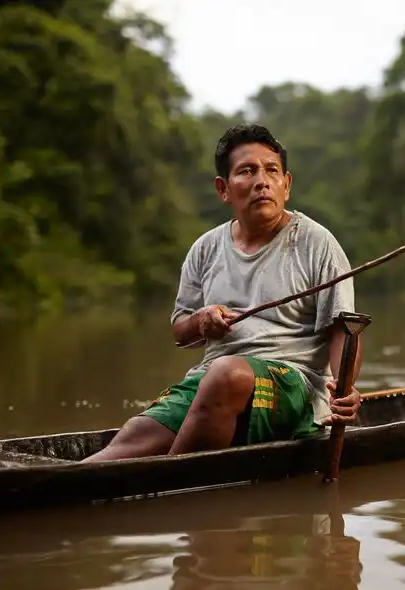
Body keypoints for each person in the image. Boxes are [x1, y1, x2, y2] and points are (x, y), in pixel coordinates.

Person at [83, 124, 363, 462]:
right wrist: (202, 321)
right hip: (211, 384)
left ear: (286, 185)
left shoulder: (317, 243)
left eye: (271, 170)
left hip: (295, 387)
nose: (262, 181)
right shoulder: (205, 249)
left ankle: (165, 493)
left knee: (226, 375)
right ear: (223, 189)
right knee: (132, 439)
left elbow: (343, 331)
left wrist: (345, 391)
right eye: (247, 171)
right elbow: (180, 332)